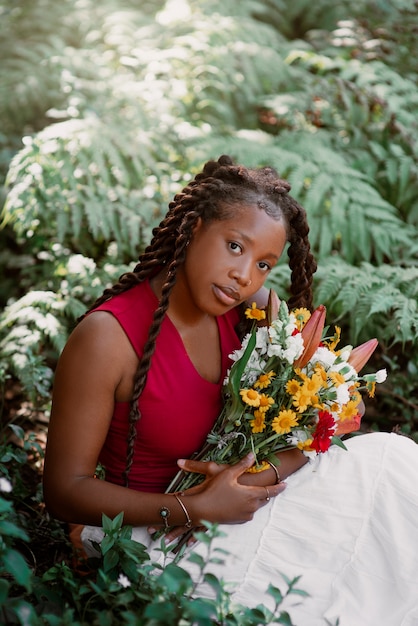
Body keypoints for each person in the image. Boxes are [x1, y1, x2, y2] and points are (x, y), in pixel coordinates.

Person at [43, 155, 418, 626]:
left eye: (264, 264)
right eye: (235, 247)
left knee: (392, 462)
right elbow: (63, 490)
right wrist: (192, 506)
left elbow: (331, 409)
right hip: (163, 533)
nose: (245, 276)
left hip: (254, 497)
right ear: (194, 228)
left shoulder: (254, 313)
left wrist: (250, 481)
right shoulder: (107, 338)